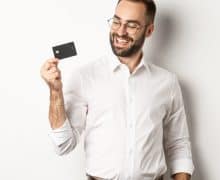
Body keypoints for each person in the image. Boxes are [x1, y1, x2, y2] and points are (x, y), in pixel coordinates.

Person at [40, 0, 194, 179]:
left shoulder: (167, 82)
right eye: (117, 21)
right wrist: (55, 92)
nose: (120, 32)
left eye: (131, 25)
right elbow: (63, 145)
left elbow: (178, 145)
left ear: (149, 30)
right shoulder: (85, 76)